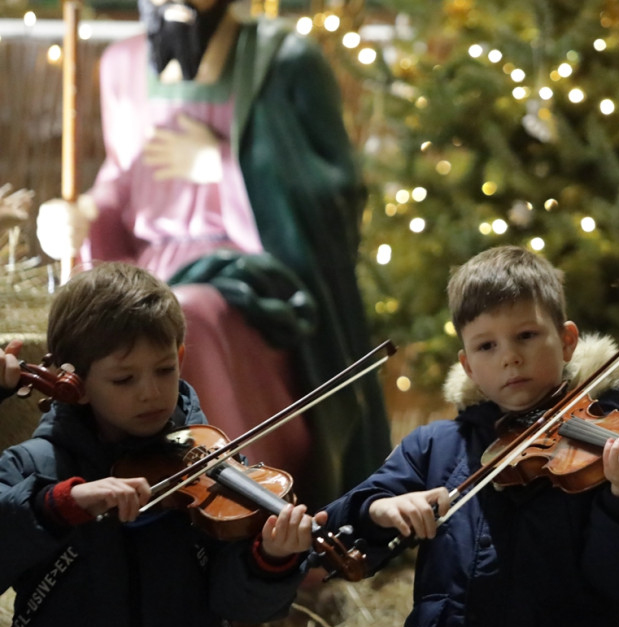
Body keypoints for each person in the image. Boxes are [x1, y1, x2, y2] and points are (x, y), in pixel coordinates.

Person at [35, 0, 390, 508]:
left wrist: (222, 166)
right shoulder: (122, 64)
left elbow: (329, 193)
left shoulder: (285, 59)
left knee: (184, 315)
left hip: (250, 271)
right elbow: (124, 175)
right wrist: (84, 213)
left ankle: (239, 508)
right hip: (151, 265)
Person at [322, 245, 619, 627]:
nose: (509, 357)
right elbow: (338, 526)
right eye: (486, 345)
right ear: (467, 365)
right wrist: (379, 508)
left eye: (526, 336)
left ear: (567, 342)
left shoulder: (608, 450)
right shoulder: (434, 446)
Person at [0, 262, 325, 627]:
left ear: (181, 357)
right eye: (123, 379)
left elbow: (241, 606)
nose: (150, 392)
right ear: (74, 382)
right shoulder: (34, 465)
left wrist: (271, 561)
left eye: (164, 369)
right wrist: (57, 505)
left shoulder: (213, 470)